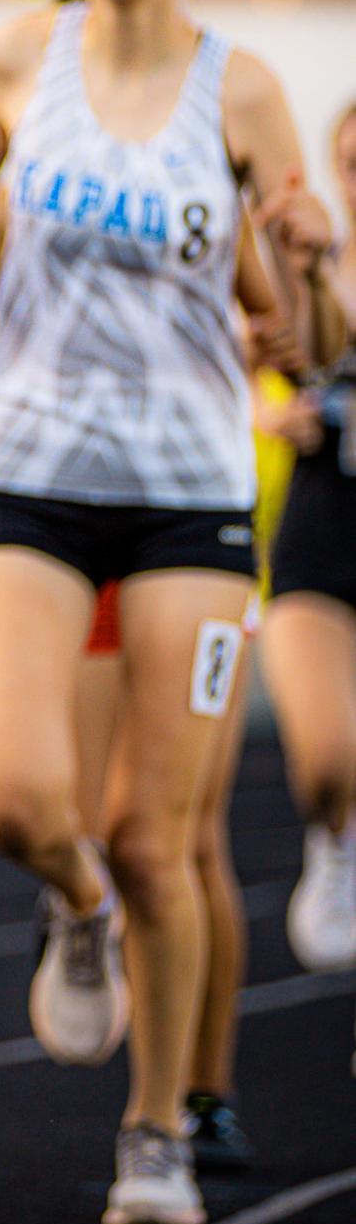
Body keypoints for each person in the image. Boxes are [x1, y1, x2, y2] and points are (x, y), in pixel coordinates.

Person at [0, 0, 330, 1224]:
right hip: (29, 471)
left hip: (190, 497)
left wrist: (312, 268)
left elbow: (311, 328)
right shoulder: (20, 61)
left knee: (159, 832)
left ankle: (153, 1131)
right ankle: (76, 911)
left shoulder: (246, 90)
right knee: (20, 801)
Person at [261, 103, 356, 982]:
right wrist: (271, 410)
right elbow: (234, 356)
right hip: (323, 525)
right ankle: (337, 836)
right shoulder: (308, 262)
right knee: (327, 757)